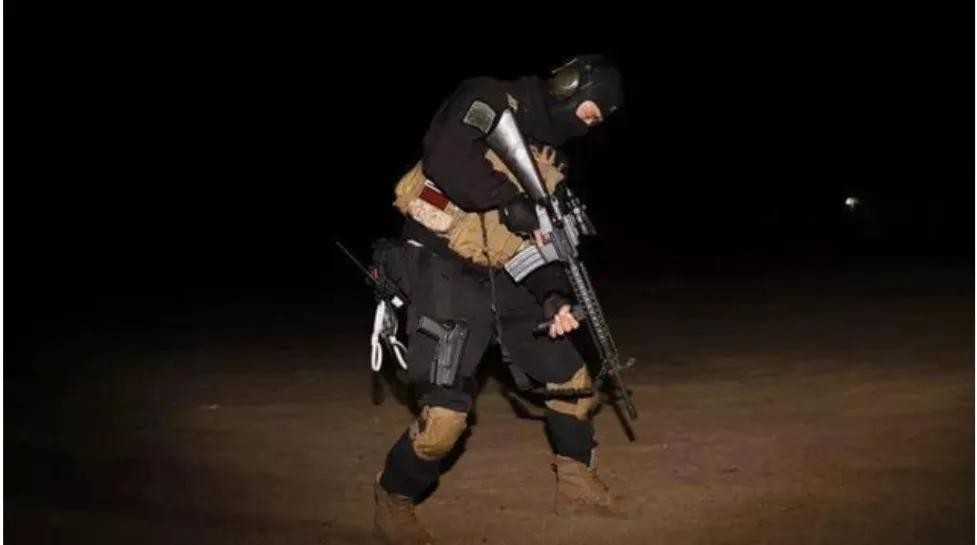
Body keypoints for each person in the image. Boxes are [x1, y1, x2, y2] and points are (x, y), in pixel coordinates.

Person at [370, 54, 634, 545]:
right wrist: (507, 199)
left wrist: (552, 297)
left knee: (573, 382)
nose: (587, 125)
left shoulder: (551, 160)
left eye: (596, 121)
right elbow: (445, 156)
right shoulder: (490, 97)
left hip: (507, 274)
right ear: (569, 87)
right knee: (444, 421)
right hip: (442, 265)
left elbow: (535, 247)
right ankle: (394, 498)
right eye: (588, 111)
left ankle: (575, 484)